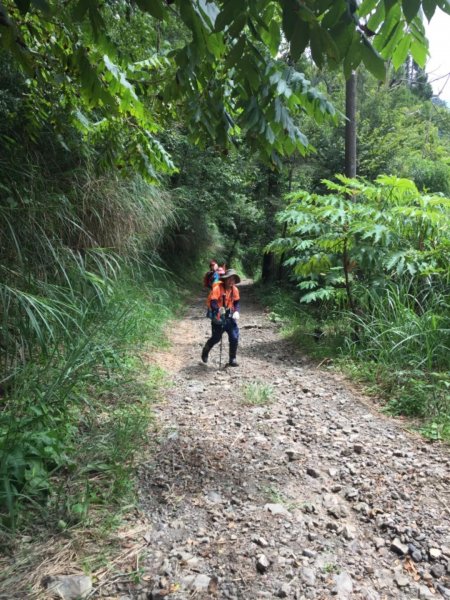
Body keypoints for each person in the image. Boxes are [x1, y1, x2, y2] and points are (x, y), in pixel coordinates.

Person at [202, 268, 241, 367]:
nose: (231, 281)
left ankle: (232, 359)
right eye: (229, 279)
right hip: (218, 315)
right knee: (216, 338)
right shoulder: (218, 288)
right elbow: (213, 301)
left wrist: (236, 311)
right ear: (225, 279)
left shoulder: (235, 290)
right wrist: (218, 309)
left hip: (229, 316)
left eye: (233, 279)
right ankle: (205, 350)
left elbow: (236, 302)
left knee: (234, 336)